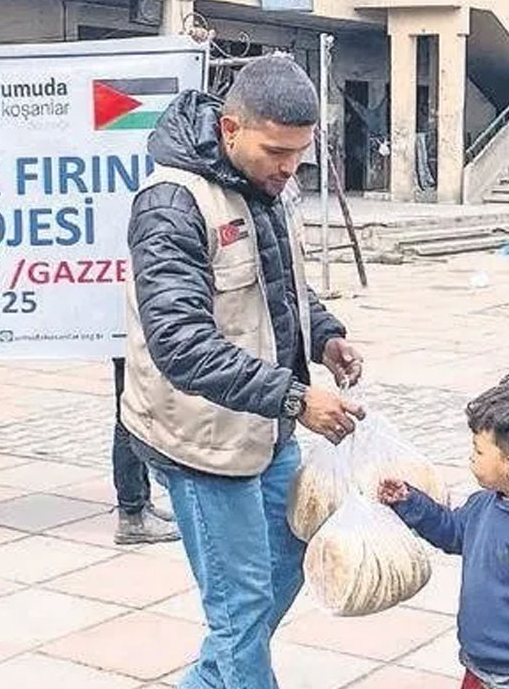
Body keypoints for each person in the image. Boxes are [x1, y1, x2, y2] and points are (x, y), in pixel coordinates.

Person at [121, 56, 367, 689]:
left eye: (299, 155)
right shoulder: (172, 203)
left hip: (266, 428)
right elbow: (180, 342)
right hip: (201, 441)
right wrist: (295, 398)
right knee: (241, 609)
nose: (288, 168)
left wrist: (327, 335)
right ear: (230, 129)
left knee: (290, 556)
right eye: (275, 151)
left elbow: (280, 288)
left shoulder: (268, 191)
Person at [380, 380, 509, 689]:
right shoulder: (486, 503)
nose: (471, 456)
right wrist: (410, 502)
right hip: (477, 667)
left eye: (478, 450)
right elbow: (453, 531)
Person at [111, 357, 179, 545]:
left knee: (132, 419)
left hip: (125, 345)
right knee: (129, 421)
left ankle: (140, 504)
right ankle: (133, 516)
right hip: (125, 344)